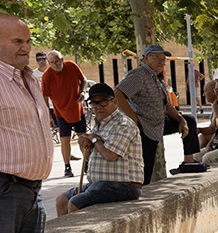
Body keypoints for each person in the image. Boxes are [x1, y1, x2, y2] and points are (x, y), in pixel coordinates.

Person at [0, 13, 69, 233]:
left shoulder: (30, 79)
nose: (26, 48)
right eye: (17, 42)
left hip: (30, 188)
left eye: (28, 41)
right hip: (4, 186)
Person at [115, 45, 200, 184]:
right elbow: (118, 93)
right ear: (146, 58)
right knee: (145, 166)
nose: (161, 62)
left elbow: (167, 106)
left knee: (189, 121)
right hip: (144, 126)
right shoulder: (139, 74)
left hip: (159, 123)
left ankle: (189, 162)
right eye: (157, 58)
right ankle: (138, 192)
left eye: (163, 59)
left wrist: (181, 120)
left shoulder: (158, 78)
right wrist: (134, 118)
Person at [56, 83, 142, 216]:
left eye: (103, 102)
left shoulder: (123, 124)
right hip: (100, 183)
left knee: (75, 203)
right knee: (62, 200)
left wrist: (95, 139)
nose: (98, 107)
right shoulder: (100, 125)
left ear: (114, 101)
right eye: (94, 104)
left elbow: (110, 156)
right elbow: (94, 157)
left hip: (123, 185)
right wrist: (85, 146)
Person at [40, 49, 87, 177]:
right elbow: (44, 97)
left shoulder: (71, 66)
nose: (55, 65)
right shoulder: (47, 76)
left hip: (77, 108)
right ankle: (67, 167)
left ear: (62, 60)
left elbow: (83, 80)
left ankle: (87, 164)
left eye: (57, 61)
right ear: (48, 63)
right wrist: (49, 117)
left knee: (83, 137)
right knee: (64, 140)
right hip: (60, 112)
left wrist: (82, 92)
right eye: (52, 63)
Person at [197, 78, 218, 151]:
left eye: (205, 91)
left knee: (202, 137)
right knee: (201, 136)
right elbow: (212, 128)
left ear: (213, 92)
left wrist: (209, 145)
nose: (203, 94)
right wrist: (199, 130)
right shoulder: (216, 106)